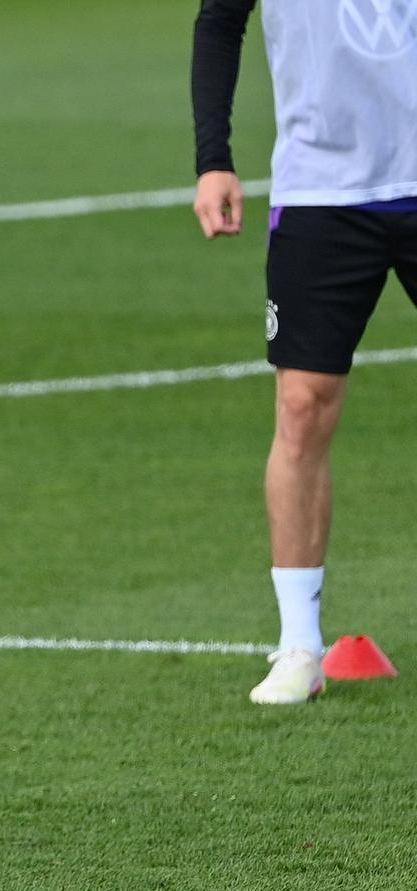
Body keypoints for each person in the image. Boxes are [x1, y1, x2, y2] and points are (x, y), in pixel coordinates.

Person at [191, 0, 417, 704]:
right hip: (321, 191)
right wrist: (213, 160)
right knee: (301, 407)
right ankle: (299, 646)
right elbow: (220, 20)